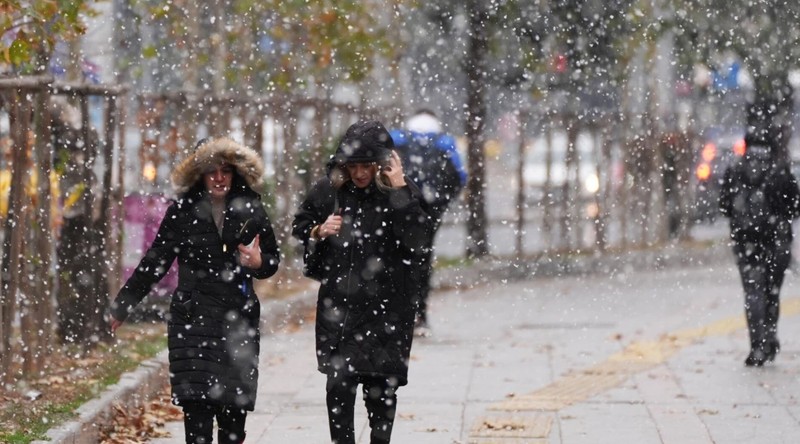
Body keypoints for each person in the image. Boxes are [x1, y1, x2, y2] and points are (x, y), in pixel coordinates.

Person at [109, 137, 280, 443]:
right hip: (192, 323)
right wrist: (123, 305)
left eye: (225, 170)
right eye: (210, 170)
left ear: (235, 172)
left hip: (237, 322)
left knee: (232, 418)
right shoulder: (182, 211)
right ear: (198, 173)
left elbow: (271, 260)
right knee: (197, 416)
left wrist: (257, 262)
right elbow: (155, 261)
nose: (218, 177)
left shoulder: (251, 207)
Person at [292, 120, 431, 444]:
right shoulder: (330, 190)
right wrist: (318, 230)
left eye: (366, 165)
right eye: (353, 166)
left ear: (382, 163)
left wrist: (400, 192)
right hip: (340, 310)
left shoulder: (402, 191)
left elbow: (419, 240)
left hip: (388, 312)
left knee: (381, 395)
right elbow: (301, 224)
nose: (359, 174)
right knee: (338, 390)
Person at [719, 130, 800, 367]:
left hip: (746, 243)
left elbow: (724, 207)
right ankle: (769, 337)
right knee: (771, 292)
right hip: (777, 242)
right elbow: (795, 208)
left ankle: (756, 345)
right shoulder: (780, 172)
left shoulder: (735, 171)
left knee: (753, 292)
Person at [389, 109, 466, 337]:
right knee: (422, 260)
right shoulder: (444, 142)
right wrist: (441, 202)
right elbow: (460, 176)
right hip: (430, 209)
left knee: (394, 257)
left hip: (398, 207)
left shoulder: (397, 138)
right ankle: (419, 315)